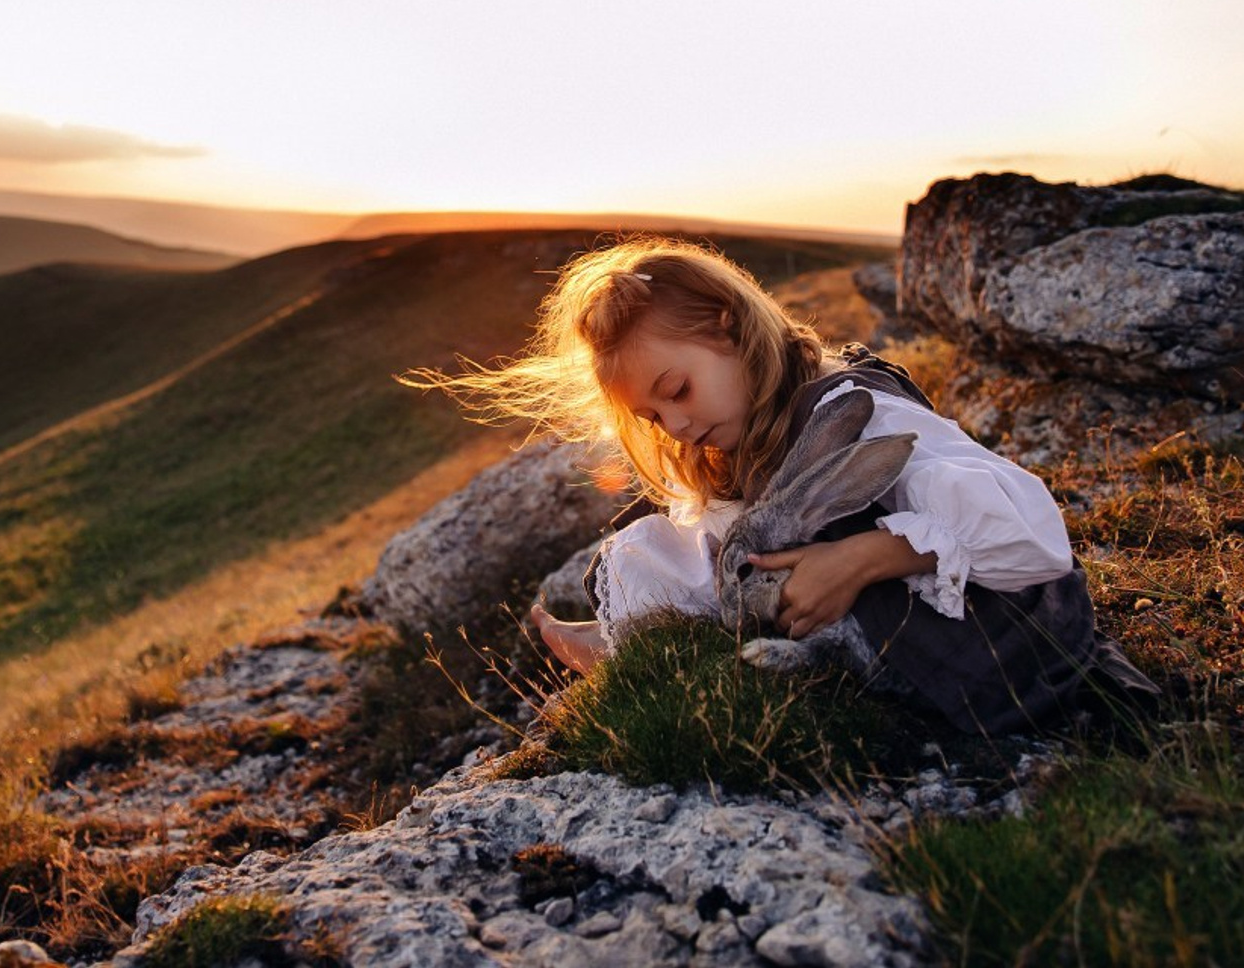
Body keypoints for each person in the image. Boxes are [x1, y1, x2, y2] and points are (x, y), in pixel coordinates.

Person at [407, 236, 1157, 736]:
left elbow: (1033, 533)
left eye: (677, 390)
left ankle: (707, 650)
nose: (676, 424)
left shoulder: (860, 413)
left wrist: (863, 558)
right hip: (898, 624)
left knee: (792, 557)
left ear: (728, 328)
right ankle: (633, 640)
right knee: (674, 547)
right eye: (653, 416)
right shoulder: (749, 434)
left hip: (995, 643)